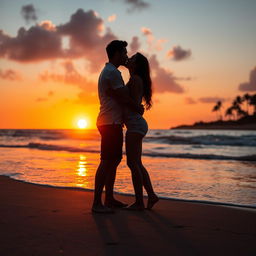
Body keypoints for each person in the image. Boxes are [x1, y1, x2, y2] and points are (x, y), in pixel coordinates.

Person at [92, 40, 143, 213]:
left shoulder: (109, 71)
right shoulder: (112, 73)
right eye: (124, 53)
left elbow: (120, 95)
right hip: (110, 122)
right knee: (107, 161)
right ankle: (97, 203)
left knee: (113, 160)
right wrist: (137, 107)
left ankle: (109, 199)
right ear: (116, 54)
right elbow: (124, 97)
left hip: (110, 122)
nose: (126, 56)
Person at [123, 53, 159, 210]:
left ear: (136, 65)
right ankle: (151, 196)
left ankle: (139, 202)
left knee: (132, 163)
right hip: (135, 124)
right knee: (136, 163)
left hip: (135, 124)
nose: (128, 59)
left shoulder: (136, 80)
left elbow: (132, 103)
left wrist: (115, 94)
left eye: (132, 59)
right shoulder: (135, 78)